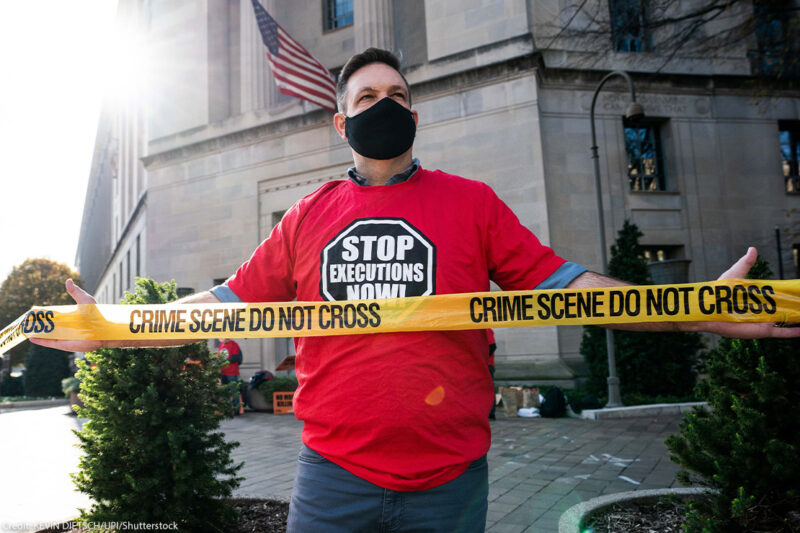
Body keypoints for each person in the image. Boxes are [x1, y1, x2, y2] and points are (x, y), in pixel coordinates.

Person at [32, 48, 800, 533]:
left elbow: (576, 289)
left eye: (396, 92)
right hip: (333, 476)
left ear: (416, 112)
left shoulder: (472, 203)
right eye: (366, 97)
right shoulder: (306, 217)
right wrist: (120, 325)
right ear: (341, 124)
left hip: (450, 482)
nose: (384, 104)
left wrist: (688, 309)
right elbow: (227, 301)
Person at [218, 338, 243, 415]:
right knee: (225, 392)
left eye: (222, 337)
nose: (220, 338)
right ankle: (228, 409)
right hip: (223, 372)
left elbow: (236, 357)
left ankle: (236, 410)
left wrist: (226, 362)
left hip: (232, 372)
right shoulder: (221, 345)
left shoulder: (234, 344)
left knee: (234, 391)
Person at [487, 330, 497, 420]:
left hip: (487, 364)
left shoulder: (485, 329)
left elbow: (492, 346)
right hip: (484, 363)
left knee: (488, 388)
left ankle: (491, 412)